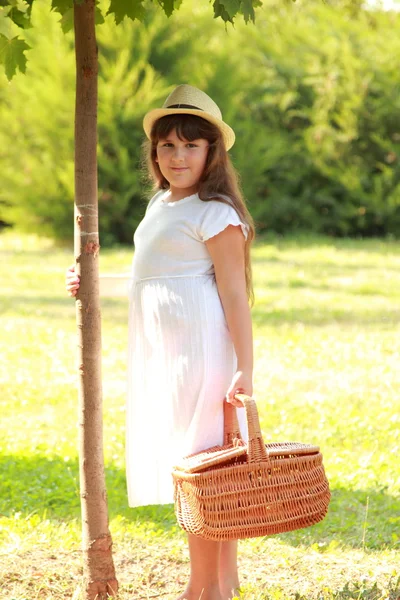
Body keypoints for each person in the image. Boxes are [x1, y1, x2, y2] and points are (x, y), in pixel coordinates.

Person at [66, 84, 255, 600]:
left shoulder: (215, 212)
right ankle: (222, 584)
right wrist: (90, 281)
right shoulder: (161, 203)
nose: (178, 156)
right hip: (164, 353)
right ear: (154, 153)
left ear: (212, 152)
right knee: (204, 468)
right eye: (167, 145)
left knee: (201, 471)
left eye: (191, 146)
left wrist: (246, 368)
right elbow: (153, 278)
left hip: (199, 352)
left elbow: (236, 295)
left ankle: (203, 589)